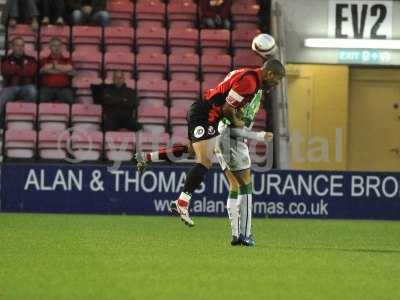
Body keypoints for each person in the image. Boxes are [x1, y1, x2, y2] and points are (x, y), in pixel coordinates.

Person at [0, 37, 38, 116]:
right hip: (10, 87)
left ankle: (25, 116)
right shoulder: (5, 59)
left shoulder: (31, 59)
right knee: (2, 98)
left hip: (26, 87)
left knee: (33, 91)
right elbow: (6, 71)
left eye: (22, 46)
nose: (20, 48)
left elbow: (31, 72)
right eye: (17, 45)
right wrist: (23, 69)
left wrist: (15, 69)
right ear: (12, 47)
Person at [39, 37, 75, 103]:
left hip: (64, 88)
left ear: (61, 47)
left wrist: (53, 66)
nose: (56, 48)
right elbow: (43, 70)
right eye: (54, 45)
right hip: (47, 88)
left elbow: (70, 69)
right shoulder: (44, 60)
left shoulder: (67, 59)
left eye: (58, 46)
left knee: (70, 100)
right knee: (41, 101)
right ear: (50, 47)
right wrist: (64, 71)